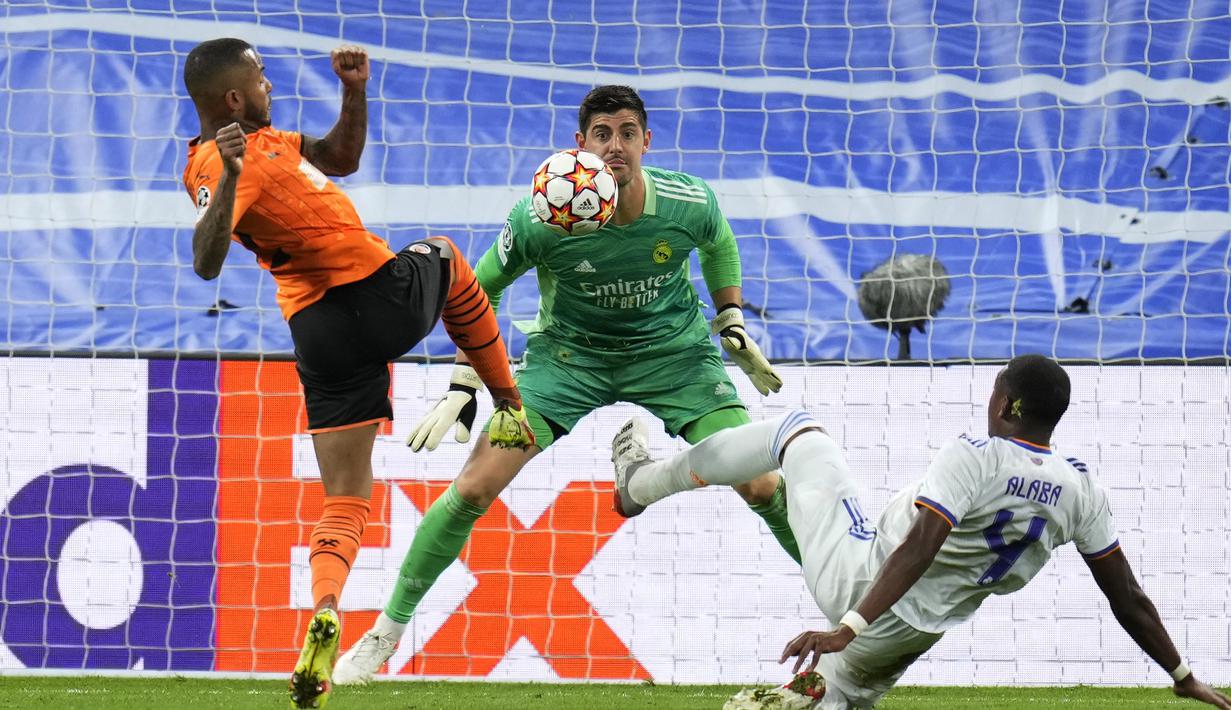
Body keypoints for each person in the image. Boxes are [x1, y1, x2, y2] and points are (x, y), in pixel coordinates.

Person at [332, 84, 797, 683]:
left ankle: (853, 619)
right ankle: (384, 633)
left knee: (762, 484)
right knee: (474, 487)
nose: (615, 146)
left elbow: (719, 241)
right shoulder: (542, 215)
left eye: (627, 133)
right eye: (601, 135)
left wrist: (729, 314)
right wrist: (465, 376)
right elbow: (479, 287)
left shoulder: (687, 201)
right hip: (566, 361)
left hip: (674, 357)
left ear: (646, 141)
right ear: (580, 145)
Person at [180, 38, 533, 708]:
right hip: (372, 294)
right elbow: (205, 260)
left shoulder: (272, 142)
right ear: (232, 97)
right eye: (259, 77)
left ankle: (327, 610)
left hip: (320, 335)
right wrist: (227, 175)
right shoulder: (212, 160)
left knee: (344, 498)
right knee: (450, 257)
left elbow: (341, 157)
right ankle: (509, 404)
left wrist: (354, 89)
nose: (269, 84)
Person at [609, 354, 1230, 709]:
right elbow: (1129, 598)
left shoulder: (979, 453)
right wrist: (1181, 675)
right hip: (917, 635)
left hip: (864, 584)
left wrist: (846, 624)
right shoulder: (1082, 490)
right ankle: (814, 695)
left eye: (995, 392)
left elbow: (920, 545)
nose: (989, 402)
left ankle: (640, 482)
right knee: (831, 695)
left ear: (1010, 406)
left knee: (797, 431)